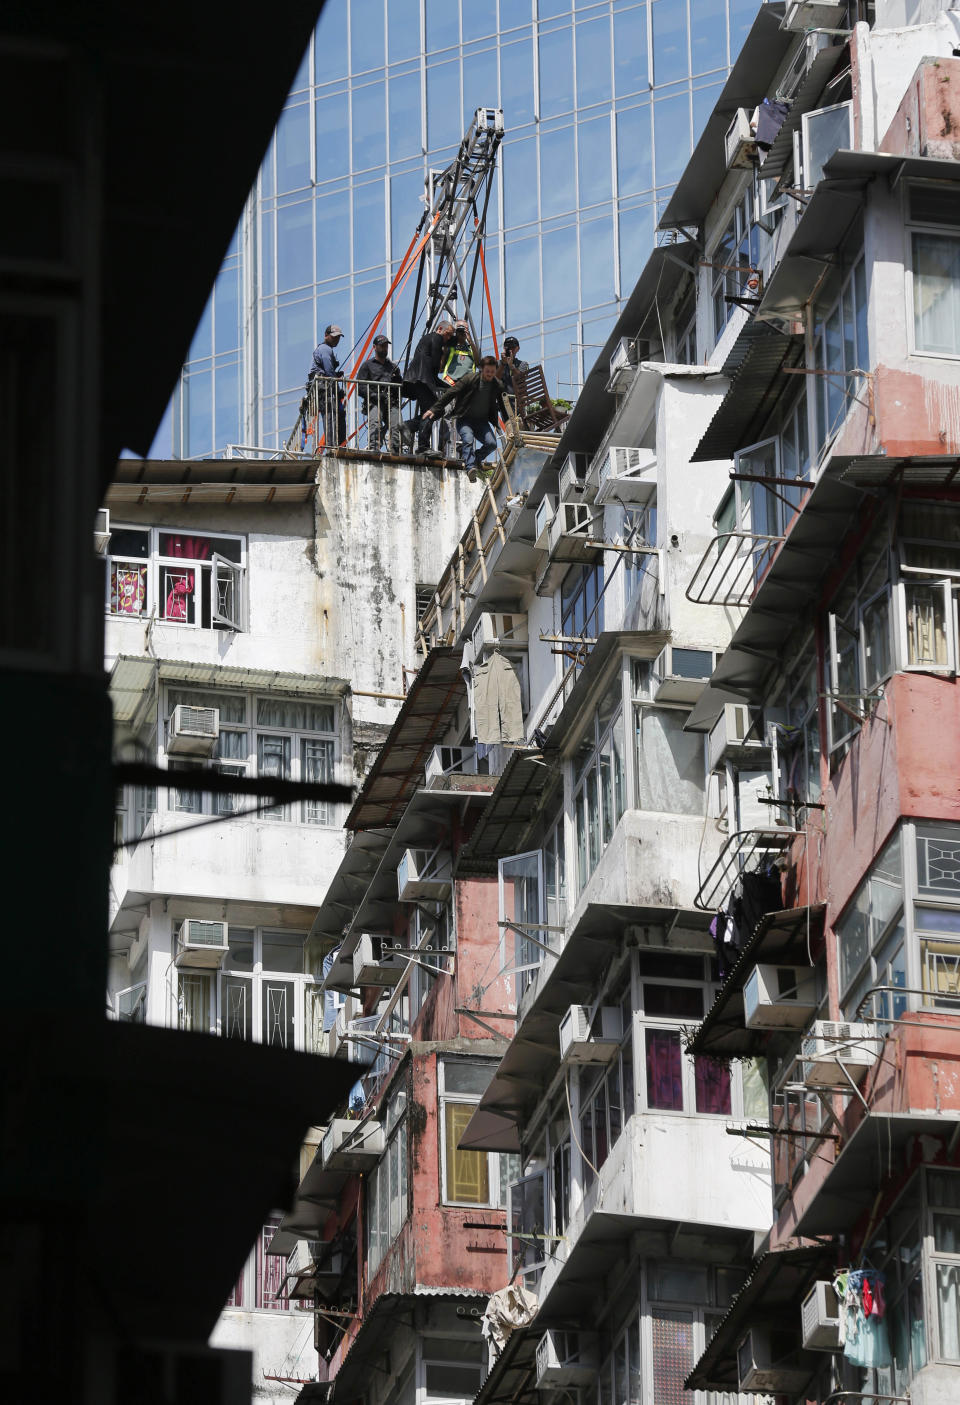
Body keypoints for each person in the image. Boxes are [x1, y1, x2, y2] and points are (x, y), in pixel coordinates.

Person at [422, 355, 508, 480]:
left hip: (482, 422)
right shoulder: (470, 379)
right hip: (465, 419)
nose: (490, 374)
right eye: (487, 371)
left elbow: (502, 404)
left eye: (493, 372)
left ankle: (475, 458)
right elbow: (451, 393)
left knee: (492, 444)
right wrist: (434, 408)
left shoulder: (497, 385)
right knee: (468, 439)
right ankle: (470, 468)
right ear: (481, 369)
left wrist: (508, 421)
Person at [403, 321, 455, 453]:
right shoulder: (437, 338)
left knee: (431, 411)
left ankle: (410, 427)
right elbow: (434, 368)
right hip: (423, 380)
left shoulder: (425, 338)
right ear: (439, 329)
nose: (447, 339)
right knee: (435, 410)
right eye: (448, 335)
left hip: (416, 379)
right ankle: (422, 445)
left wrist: (446, 386)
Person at [356, 334, 403, 452]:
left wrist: (398, 379)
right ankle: (374, 449)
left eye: (386, 346)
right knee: (375, 423)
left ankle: (396, 450)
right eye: (382, 346)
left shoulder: (392, 366)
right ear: (374, 347)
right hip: (375, 401)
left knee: (397, 425)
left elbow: (400, 387)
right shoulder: (367, 365)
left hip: (391, 401)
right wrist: (375, 395)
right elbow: (360, 387)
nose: (385, 348)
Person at [307, 323, 346, 446]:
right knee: (330, 415)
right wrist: (337, 388)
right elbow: (328, 371)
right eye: (334, 336)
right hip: (324, 389)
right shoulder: (325, 349)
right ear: (326, 336)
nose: (337, 339)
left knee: (335, 414)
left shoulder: (326, 350)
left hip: (325, 388)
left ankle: (338, 444)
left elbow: (329, 372)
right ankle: (332, 446)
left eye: (338, 337)